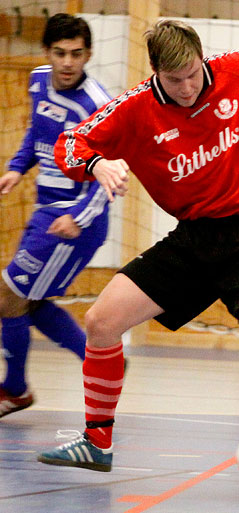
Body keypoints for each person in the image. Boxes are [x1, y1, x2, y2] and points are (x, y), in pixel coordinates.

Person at [36, 19, 239, 502]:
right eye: (173, 80)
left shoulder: (235, 70)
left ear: (201, 59)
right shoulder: (134, 108)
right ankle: (96, 443)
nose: (186, 88)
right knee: (101, 322)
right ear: (155, 74)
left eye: (191, 74)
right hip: (191, 241)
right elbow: (70, 145)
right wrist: (97, 163)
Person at [0, 14, 111, 419]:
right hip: (47, 211)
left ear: (88, 54)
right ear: (48, 53)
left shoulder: (97, 105)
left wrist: (79, 217)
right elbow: (37, 133)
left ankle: (14, 389)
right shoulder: (37, 80)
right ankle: (100, 362)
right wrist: (17, 167)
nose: (68, 63)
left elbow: (109, 174)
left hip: (72, 218)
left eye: (77, 54)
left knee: (9, 295)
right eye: (60, 53)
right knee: (29, 302)